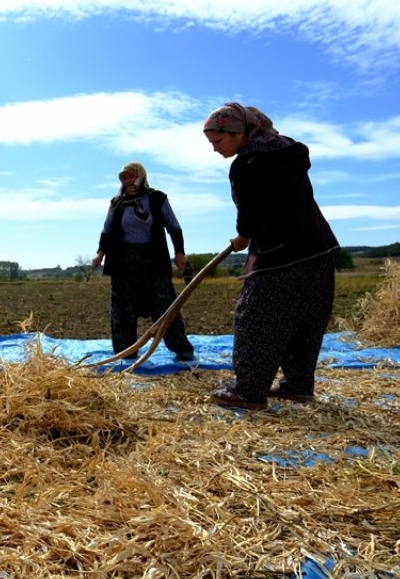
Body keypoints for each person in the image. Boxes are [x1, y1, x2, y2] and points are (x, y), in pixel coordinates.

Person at [202, 103, 340, 409]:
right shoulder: (287, 152)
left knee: (255, 318)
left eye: (218, 141)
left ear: (237, 133)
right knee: (306, 319)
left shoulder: (247, 164)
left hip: (280, 254)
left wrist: (242, 236)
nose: (215, 149)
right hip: (319, 248)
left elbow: (249, 213)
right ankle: (298, 384)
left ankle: (248, 391)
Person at [92, 162, 197, 364]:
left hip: (153, 258)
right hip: (123, 261)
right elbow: (106, 231)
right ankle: (126, 352)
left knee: (164, 304)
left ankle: (181, 347)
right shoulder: (116, 203)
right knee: (123, 308)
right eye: (123, 178)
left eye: (131, 177)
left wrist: (180, 252)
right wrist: (100, 253)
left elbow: (174, 227)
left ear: (140, 177)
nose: (127, 182)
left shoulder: (156, 199)